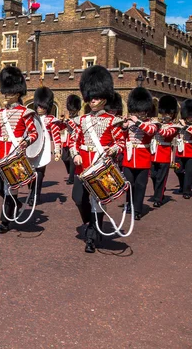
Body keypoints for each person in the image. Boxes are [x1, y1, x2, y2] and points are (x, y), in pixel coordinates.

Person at [70, 65, 124, 253]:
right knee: (78, 198)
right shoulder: (81, 120)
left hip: (101, 166)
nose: (93, 101)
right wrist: (75, 154)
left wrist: (112, 150)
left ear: (104, 97)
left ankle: (92, 236)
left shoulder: (112, 120)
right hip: (82, 166)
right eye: (90, 97)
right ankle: (90, 223)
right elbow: (73, 140)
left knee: (97, 202)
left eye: (97, 97)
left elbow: (121, 143)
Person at [0, 66, 38, 234]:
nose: (6, 95)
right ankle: (15, 205)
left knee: (10, 189)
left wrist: (26, 141)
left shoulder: (25, 113)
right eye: (5, 92)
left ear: (17, 92)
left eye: (9, 92)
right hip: (1, 155)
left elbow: (34, 133)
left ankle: (5, 221)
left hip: (15, 155)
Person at [121, 87, 157, 220]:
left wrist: (137, 121)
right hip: (129, 158)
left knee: (141, 185)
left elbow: (151, 131)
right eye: (136, 110)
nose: (139, 113)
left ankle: (138, 209)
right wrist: (124, 127)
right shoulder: (129, 122)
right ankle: (129, 204)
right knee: (129, 184)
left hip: (143, 158)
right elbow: (122, 137)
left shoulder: (152, 122)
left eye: (141, 110)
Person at [27, 86, 61, 206]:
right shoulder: (31, 117)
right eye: (38, 105)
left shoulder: (51, 120)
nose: (39, 108)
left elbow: (56, 136)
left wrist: (57, 150)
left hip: (44, 148)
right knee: (30, 172)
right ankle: (32, 189)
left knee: (39, 173)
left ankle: (35, 195)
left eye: (42, 106)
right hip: (32, 146)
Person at [149, 95, 179, 208]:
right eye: (164, 113)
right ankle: (159, 189)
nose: (166, 116)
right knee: (153, 176)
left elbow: (166, 134)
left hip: (164, 154)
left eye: (168, 114)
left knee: (161, 178)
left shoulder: (175, 126)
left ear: (172, 114)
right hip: (153, 153)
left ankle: (158, 198)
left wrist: (158, 125)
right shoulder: (157, 122)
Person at [60, 94, 81, 185]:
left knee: (73, 161)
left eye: (73, 110)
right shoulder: (69, 119)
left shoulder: (79, 119)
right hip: (66, 140)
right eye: (70, 110)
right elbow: (61, 128)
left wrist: (69, 122)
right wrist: (61, 122)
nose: (71, 112)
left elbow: (76, 129)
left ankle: (71, 178)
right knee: (64, 158)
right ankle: (70, 173)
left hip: (74, 141)